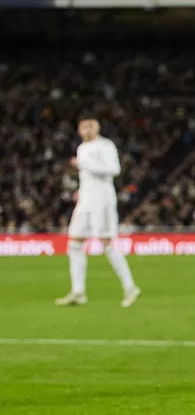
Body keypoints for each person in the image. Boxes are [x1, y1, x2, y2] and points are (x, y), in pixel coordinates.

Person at [55, 116, 140, 308]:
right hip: (86, 199)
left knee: (106, 243)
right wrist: (81, 191)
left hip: (102, 200)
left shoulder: (105, 146)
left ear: (97, 129)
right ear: (78, 130)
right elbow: (88, 176)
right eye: (83, 127)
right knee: (74, 242)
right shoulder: (82, 148)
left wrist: (84, 165)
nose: (86, 130)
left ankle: (130, 287)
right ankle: (78, 291)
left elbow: (114, 169)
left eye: (90, 127)